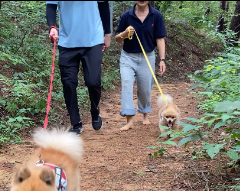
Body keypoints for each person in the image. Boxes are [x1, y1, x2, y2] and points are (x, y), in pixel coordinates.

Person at [46, 1, 111, 135]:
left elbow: (103, 5)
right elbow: (51, 6)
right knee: (68, 83)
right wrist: (52, 26)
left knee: (93, 81)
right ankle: (76, 123)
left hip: (93, 40)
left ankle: (95, 110)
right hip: (67, 42)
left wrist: (107, 34)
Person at [115, 1, 167, 131]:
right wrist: (124, 34)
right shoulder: (126, 16)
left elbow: (160, 39)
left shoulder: (156, 15)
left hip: (147, 57)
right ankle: (129, 120)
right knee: (126, 83)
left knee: (145, 89)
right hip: (128, 57)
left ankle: (145, 114)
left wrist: (162, 59)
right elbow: (117, 39)